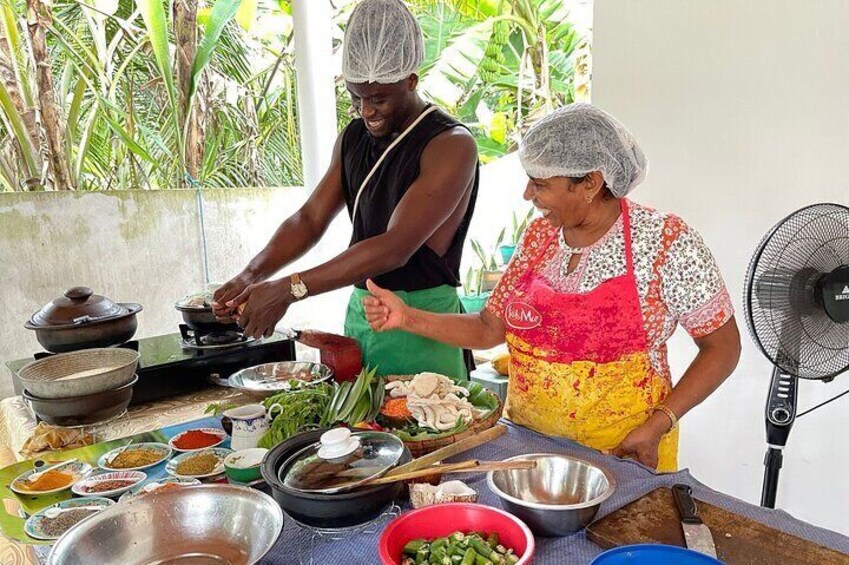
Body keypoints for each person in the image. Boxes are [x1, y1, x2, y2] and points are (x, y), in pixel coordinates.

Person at [363, 103, 741, 471]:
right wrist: (406, 316)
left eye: (541, 184)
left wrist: (658, 424)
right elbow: (489, 327)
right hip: (528, 451)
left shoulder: (665, 242)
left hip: (623, 454)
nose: (528, 195)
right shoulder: (538, 237)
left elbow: (722, 348)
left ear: (591, 182)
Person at [212, 0, 479, 380]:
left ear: (411, 80)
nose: (365, 111)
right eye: (355, 97)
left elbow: (394, 247)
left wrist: (291, 289)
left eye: (378, 99)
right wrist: (250, 276)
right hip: (363, 315)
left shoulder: (450, 144)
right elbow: (310, 218)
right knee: (360, 431)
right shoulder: (353, 137)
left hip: (423, 322)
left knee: (426, 431)